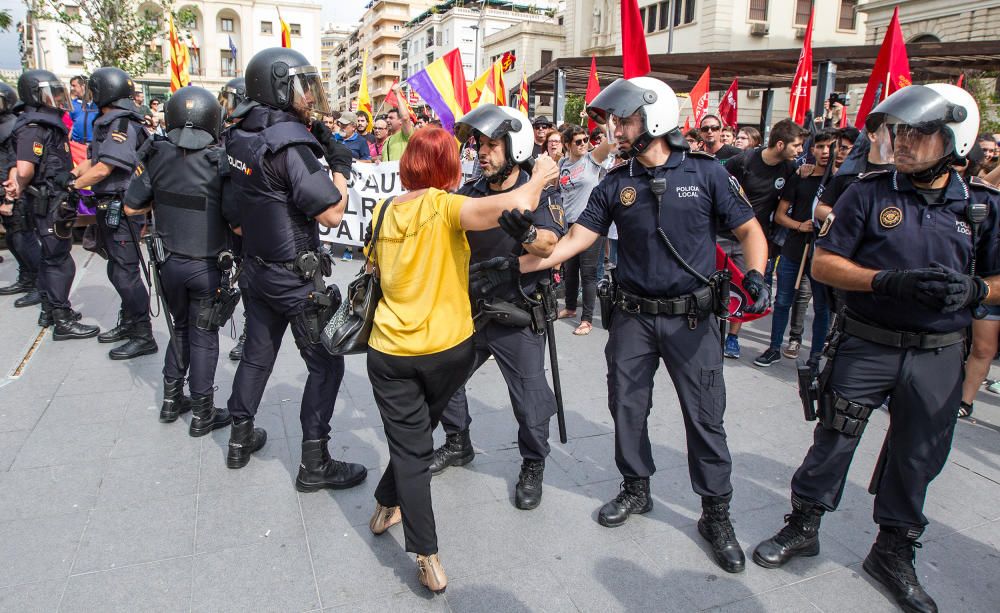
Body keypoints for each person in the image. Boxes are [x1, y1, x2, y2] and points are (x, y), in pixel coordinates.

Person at [752, 84, 1000, 613]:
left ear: (954, 138)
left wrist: (977, 290)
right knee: (834, 439)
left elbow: (998, 280)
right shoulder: (866, 192)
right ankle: (804, 525)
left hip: (938, 353)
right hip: (867, 344)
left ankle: (893, 551)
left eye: (918, 132)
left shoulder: (983, 206)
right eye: (899, 131)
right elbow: (823, 265)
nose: (903, 142)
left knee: (917, 455)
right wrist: (888, 281)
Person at [517, 76, 771, 573]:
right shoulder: (616, 182)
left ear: (654, 119)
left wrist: (758, 274)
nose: (614, 128)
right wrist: (525, 259)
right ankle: (636, 488)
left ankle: (715, 513)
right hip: (632, 319)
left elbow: (749, 229)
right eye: (614, 119)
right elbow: (576, 238)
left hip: (693, 319)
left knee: (705, 418)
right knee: (627, 409)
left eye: (624, 118)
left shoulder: (708, 173)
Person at [364, 124, 559, 594]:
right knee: (414, 447)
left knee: (410, 446)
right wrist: (542, 176)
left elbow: (371, 267)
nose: (482, 154)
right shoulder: (448, 205)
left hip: (391, 350)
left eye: (493, 146)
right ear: (448, 167)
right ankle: (424, 551)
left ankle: (388, 503)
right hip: (444, 352)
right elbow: (512, 205)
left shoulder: (384, 209)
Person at [222, 47, 367, 494]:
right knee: (327, 366)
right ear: (279, 86)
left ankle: (239, 438)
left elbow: (237, 213)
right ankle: (314, 462)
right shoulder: (289, 143)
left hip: (256, 269)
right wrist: (340, 169)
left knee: (256, 356)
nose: (309, 94)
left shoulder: (240, 133)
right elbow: (331, 213)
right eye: (302, 85)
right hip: (293, 279)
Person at [427, 104, 565, 510]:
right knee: (443, 379)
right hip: (469, 309)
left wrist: (526, 232)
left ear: (515, 148)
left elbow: (548, 244)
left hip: (517, 311)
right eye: (479, 145)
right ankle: (457, 442)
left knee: (529, 398)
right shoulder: (469, 193)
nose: (482, 153)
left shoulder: (541, 192)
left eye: (491, 145)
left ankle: (533, 463)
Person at [123, 86, 238, 436]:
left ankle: (171, 399)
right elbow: (235, 220)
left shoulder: (156, 154)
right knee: (204, 336)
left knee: (181, 328)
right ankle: (203, 412)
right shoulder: (220, 161)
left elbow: (131, 206)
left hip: (168, 264)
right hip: (206, 266)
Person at [70, 66, 156, 360]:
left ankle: (143, 334)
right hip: (109, 207)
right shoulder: (108, 122)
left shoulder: (121, 125)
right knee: (116, 269)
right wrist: (70, 178)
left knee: (127, 273)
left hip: (123, 208)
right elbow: (92, 161)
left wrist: (75, 186)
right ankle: (130, 321)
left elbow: (105, 168)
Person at [7, 70, 99, 339]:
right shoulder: (33, 128)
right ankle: (62, 318)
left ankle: (49, 309)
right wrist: (19, 186)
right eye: (52, 94)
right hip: (47, 201)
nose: (58, 99)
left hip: (51, 199)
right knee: (60, 261)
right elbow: (24, 168)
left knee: (51, 258)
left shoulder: (44, 124)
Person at [721, 118, 807, 358]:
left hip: (754, 242)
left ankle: (733, 338)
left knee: (744, 288)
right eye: (797, 145)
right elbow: (717, 188)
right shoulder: (743, 160)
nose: (800, 151)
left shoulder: (790, 169)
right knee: (711, 286)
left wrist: (806, 173)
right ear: (780, 144)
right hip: (721, 235)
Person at [753, 130, 836, 367]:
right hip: (793, 250)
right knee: (782, 301)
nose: (825, 152)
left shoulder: (839, 181)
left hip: (822, 254)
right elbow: (779, 215)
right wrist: (800, 225)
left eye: (830, 147)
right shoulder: (800, 176)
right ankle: (774, 347)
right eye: (820, 147)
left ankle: (814, 357)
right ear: (812, 149)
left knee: (822, 308)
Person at [557, 123, 614, 336]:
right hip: (569, 224)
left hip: (591, 224)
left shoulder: (591, 160)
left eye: (585, 140)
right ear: (567, 145)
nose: (583, 144)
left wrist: (604, 121)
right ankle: (571, 308)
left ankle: (587, 320)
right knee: (570, 271)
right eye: (578, 141)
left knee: (588, 273)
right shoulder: (563, 163)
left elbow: (609, 142)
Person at [0, 82, 42, 307]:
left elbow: (17, 164)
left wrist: (10, 196)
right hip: (5, 187)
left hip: (16, 189)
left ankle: (40, 284)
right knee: (12, 237)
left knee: (23, 237)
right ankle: (26, 277)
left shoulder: (14, 127)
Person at [383, 84, 414, 162]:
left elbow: (405, 118)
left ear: (400, 121)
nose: (387, 120)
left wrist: (397, 94)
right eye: (387, 117)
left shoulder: (405, 135)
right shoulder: (387, 140)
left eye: (391, 118)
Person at [68, 75, 97, 144]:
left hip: (95, 144)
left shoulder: (97, 104)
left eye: (74, 85)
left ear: (83, 86)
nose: (72, 88)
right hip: (77, 145)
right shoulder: (71, 105)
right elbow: (69, 126)